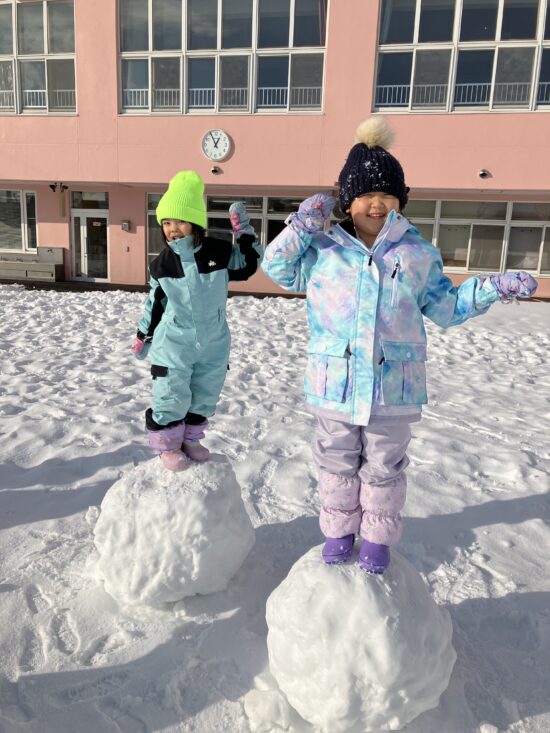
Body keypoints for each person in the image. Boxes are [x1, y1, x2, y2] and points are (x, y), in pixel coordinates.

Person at [262, 116, 538, 574]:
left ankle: (376, 538)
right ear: (348, 201)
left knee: (384, 466)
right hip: (336, 385)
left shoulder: (417, 254)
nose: (376, 203)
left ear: (400, 201)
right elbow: (277, 267)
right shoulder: (322, 251)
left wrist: (492, 288)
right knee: (336, 462)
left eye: (387, 195)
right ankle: (338, 531)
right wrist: (300, 228)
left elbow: (446, 307)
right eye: (365, 194)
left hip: (393, 389)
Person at [132, 170, 262, 471]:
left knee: (205, 393)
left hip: (213, 341)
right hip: (174, 342)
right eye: (166, 223)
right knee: (171, 394)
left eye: (179, 221)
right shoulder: (162, 264)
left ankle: (190, 439)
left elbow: (247, 265)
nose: (172, 229)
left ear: (194, 223)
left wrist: (244, 234)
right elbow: (156, 303)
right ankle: (167, 445)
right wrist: (143, 335)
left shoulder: (218, 251)